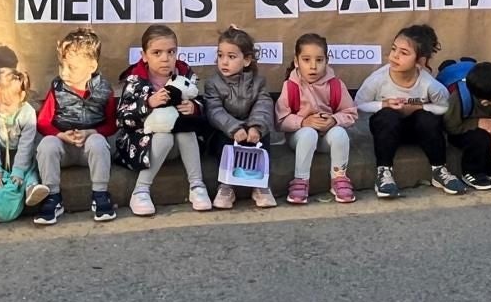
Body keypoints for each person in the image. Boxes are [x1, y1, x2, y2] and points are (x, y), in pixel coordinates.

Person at [356, 23, 465, 198]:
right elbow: (358, 104)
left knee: (427, 119)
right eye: (394, 49)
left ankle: (439, 169)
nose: (395, 56)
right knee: (387, 117)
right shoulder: (377, 80)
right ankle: (384, 172)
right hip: (388, 131)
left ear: (420, 62)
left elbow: (445, 107)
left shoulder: (429, 84)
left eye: (404, 53)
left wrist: (418, 107)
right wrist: (384, 104)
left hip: (417, 132)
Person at [114, 23, 211, 215]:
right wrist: (148, 103)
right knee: (164, 136)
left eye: (171, 52)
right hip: (142, 145)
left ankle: (197, 186)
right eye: (157, 53)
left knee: (186, 130)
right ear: (144, 56)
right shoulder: (135, 79)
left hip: (179, 146)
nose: (165, 59)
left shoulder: (185, 73)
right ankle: (140, 190)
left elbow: (201, 102)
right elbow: (121, 118)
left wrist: (193, 108)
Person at [32, 26, 119, 225]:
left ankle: (100, 194)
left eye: (72, 67)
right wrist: (60, 135)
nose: (64, 72)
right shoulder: (57, 88)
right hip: (65, 149)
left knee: (98, 141)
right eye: (62, 66)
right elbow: (43, 122)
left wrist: (92, 132)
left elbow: (112, 125)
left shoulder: (105, 90)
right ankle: (52, 197)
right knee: (47, 144)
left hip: (90, 151)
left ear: (92, 65)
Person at [274, 31, 358, 204]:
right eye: (306, 60)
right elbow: (280, 120)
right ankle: (300, 180)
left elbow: (351, 113)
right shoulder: (290, 86)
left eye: (319, 60)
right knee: (308, 134)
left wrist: (334, 120)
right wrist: (304, 122)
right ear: (296, 62)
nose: (313, 66)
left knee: (340, 134)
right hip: (300, 138)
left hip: (326, 138)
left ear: (327, 61)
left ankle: (339, 179)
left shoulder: (335, 85)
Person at [202, 26, 276, 209]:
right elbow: (214, 111)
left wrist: (255, 127)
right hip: (225, 131)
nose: (224, 62)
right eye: (220, 56)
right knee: (223, 140)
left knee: (263, 138)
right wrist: (234, 128)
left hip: (250, 129)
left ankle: (260, 185)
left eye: (231, 57)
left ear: (247, 60)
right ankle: (226, 186)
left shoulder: (259, 82)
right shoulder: (213, 84)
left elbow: (264, 105)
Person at [0, 63, 50, 225]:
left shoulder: (27, 113)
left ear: (21, 97)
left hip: (20, 152)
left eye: (6, 104)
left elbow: (26, 145)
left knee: (31, 169)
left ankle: (31, 187)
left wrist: (18, 170)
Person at [441, 61, 491, 191]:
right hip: (463, 128)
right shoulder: (459, 100)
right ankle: (472, 172)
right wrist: (478, 123)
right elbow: (451, 127)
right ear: (485, 102)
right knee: (479, 138)